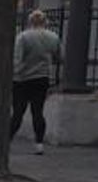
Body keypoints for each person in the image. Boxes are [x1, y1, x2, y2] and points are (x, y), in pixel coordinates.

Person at [11, 10, 62, 155]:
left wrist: (15, 73)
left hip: (21, 79)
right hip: (41, 78)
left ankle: (7, 140)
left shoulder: (23, 37)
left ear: (30, 22)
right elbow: (60, 56)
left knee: (18, 112)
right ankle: (39, 144)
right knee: (38, 112)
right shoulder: (53, 37)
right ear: (45, 22)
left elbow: (17, 59)